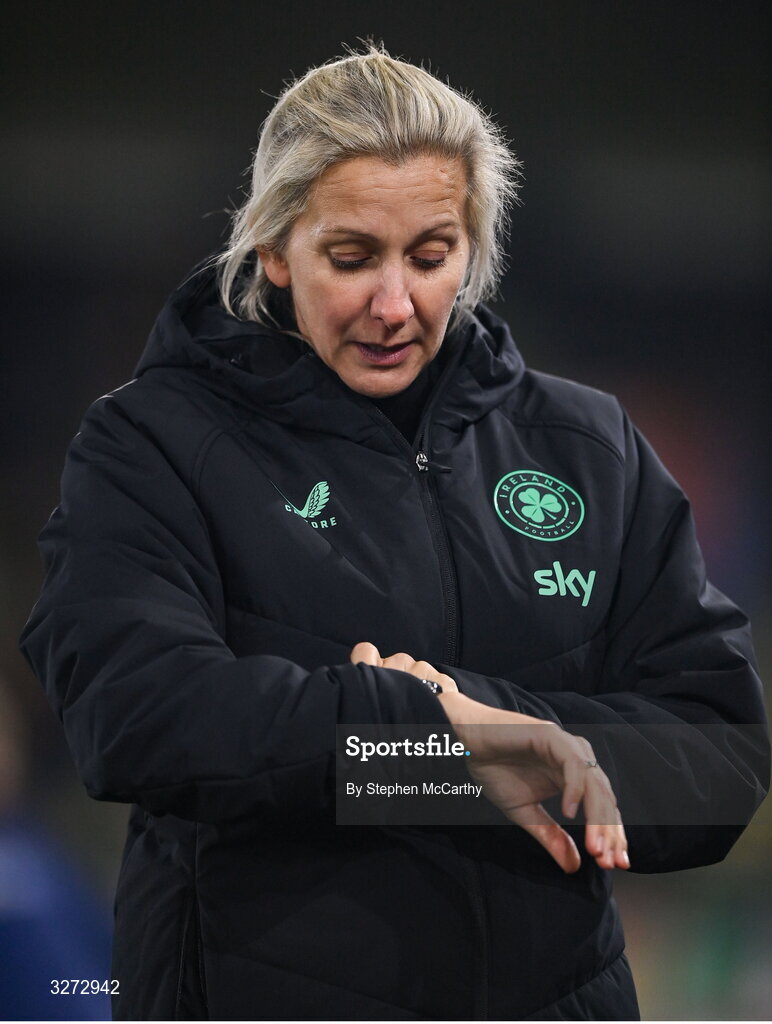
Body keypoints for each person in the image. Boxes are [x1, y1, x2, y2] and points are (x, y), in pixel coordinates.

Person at [21, 46, 768, 1021]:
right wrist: (427, 741)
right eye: (350, 256)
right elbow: (136, 716)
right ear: (275, 251)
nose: (393, 302)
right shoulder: (151, 446)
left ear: (475, 251)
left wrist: (487, 728)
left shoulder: (589, 447)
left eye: (429, 254)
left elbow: (716, 761)